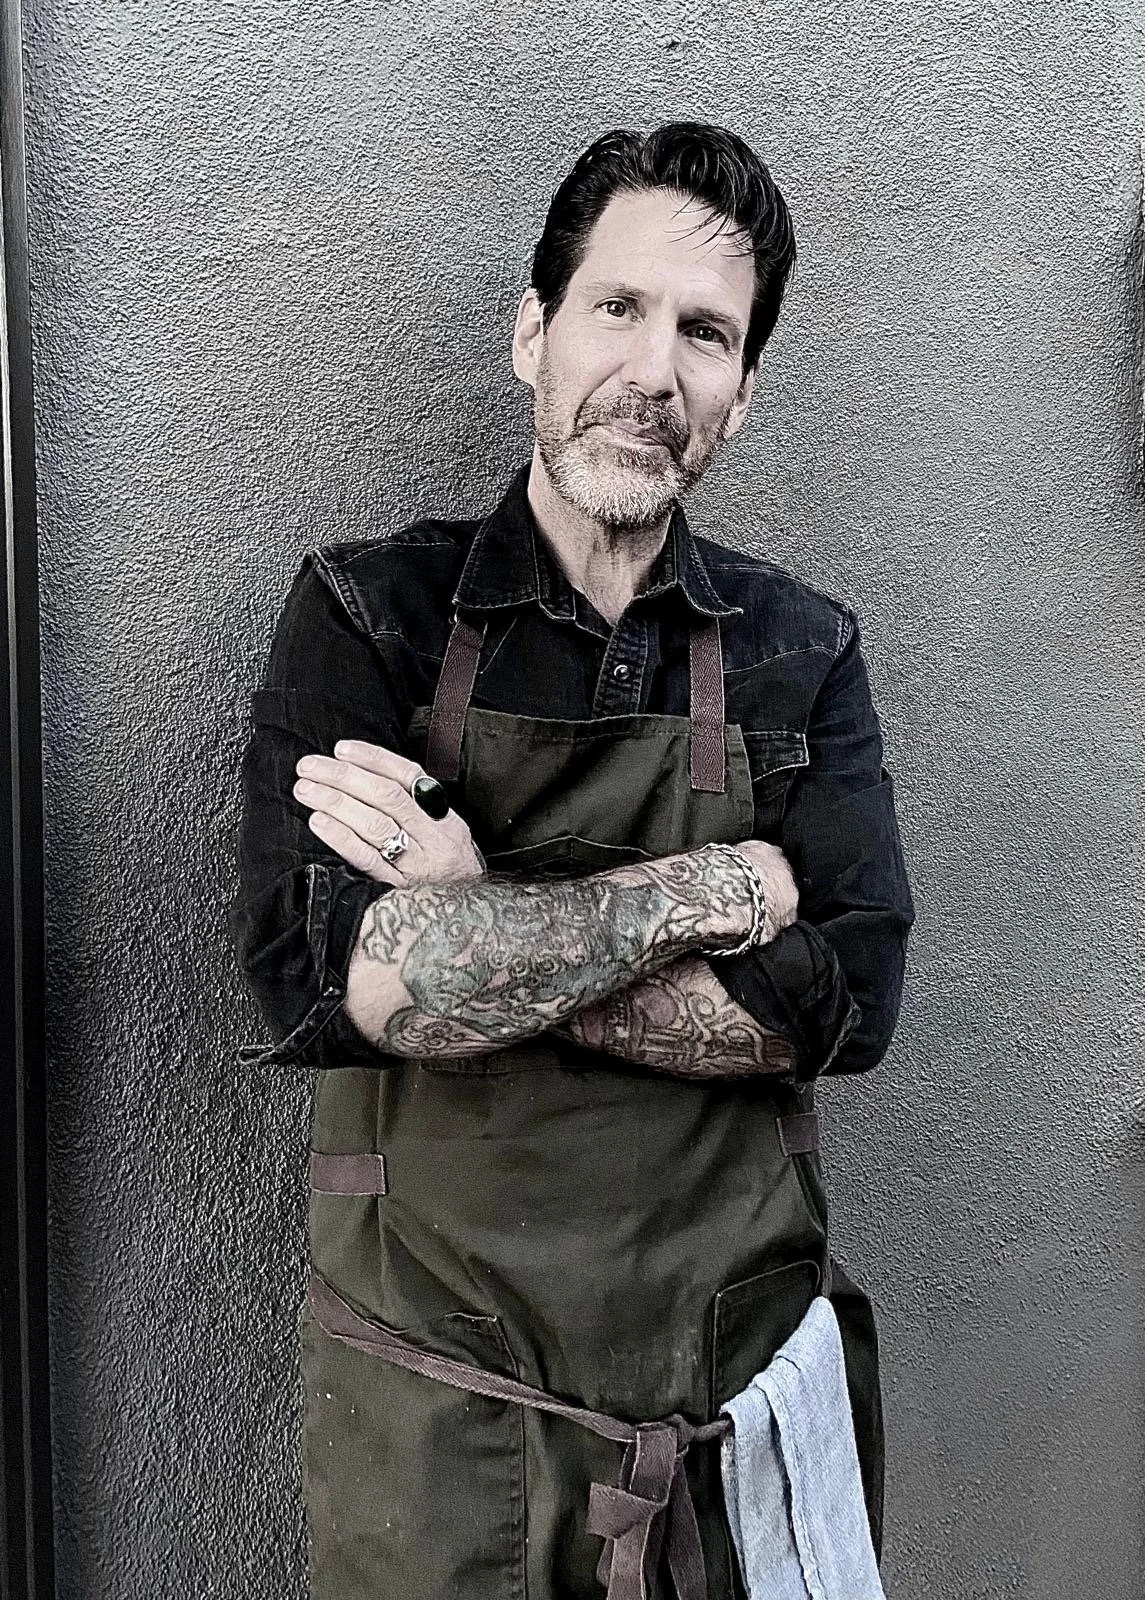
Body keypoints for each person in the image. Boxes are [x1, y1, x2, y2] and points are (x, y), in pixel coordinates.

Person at [232, 119, 916, 1600]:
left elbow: (846, 1000)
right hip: (437, 1441)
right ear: (533, 334)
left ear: (740, 395)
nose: (655, 371)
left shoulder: (803, 652)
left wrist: (471, 922)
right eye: (617, 307)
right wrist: (707, 894)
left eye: (707, 333)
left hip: (725, 1421)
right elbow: (327, 984)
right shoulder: (371, 617)